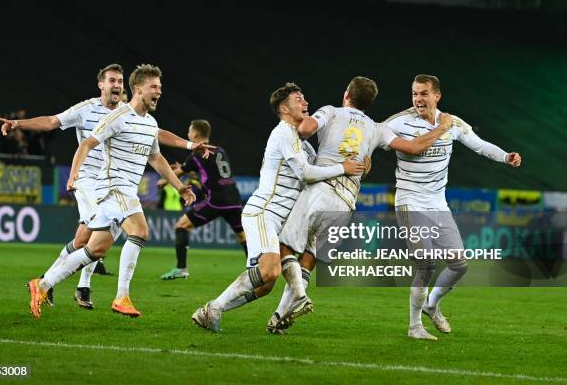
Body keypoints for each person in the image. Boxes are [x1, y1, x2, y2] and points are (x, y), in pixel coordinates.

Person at [0, 64, 212, 309]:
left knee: (92, 246)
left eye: (119, 81)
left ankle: (44, 284)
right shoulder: (98, 113)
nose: (116, 85)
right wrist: (72, 173)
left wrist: (180, 182)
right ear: (104, 84)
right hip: (103, 182)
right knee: (139, 231)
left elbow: (155, 152)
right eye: (154, 87)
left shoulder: (144, 119)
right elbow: (61, 128)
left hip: (121, 187)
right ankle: (111, 294)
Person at [265, 76, 453, 334]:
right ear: (369, 102)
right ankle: (279, 316)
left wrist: (297, 121)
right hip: (345, 203)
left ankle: (298, 296)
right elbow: (413, 148)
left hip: (321, 189)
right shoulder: (377, 128)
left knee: (285, 245)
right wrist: (441, 128)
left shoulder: (330, 112)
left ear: (346, 94)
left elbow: (305, 129)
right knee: (311, 257)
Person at [191, 82, 367, 333]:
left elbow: (321, 173)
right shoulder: (283, 132)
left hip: (278, 219)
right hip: (264, 212)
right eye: (298, 99)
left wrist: (358, 165)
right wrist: (343, 168)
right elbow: (306, 174)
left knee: (265, 284)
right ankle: (215, 308)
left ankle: (211, 309)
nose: (305, 103)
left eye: (304, 98)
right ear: (284, 108)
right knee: (269, 270)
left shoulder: (303, 143)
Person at [384, 74, 521, 340]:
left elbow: (480, 146)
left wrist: (506, 156)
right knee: (425, 263)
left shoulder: (453, 123)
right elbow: (374, 134)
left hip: (437, 203)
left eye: (423, 93)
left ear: (437, 96)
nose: (418, 99)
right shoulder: (399, 121)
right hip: (409, 200)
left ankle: (431, 305)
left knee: (459, 264)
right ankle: (414, 327)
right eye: (414, 93)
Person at [160, 119, 247, 280]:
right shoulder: (219, 150)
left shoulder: (196, 154)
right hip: (234, 199)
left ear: (195, 134)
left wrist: (163, 182)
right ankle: (255, 269)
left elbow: (178, 172)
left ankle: (181, 269)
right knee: (242, 236)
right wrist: (192, 173)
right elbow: (211, 175)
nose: (187, 134)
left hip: (216, 200)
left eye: (189, 131)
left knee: (181, 226)